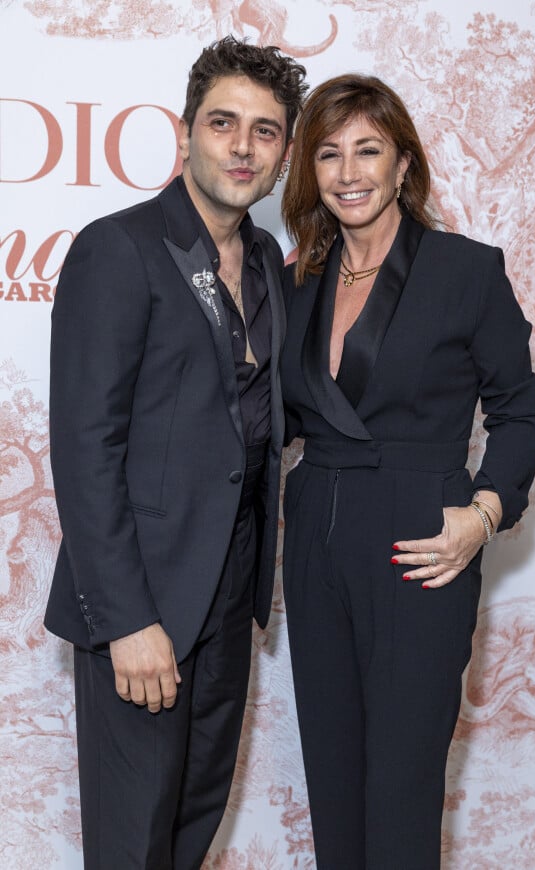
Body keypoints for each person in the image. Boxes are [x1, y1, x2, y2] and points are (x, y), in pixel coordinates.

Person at [44, 37, 307, 870]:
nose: (242, 146)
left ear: (283, 153)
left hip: (231, 587)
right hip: (143, 596)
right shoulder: (117, 248)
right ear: (185, 131)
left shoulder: (268, 260)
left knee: (193, 820)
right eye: (223, 123)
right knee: (132, 839)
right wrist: (126, 623)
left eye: (265, 132)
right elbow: (85, 448)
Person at [280, 74, 535, 870]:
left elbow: (519, 413)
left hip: (420, 539)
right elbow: (287, 416)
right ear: (311, 172)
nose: (349, 171)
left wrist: (484, 512)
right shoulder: (300, 280)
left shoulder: (466, 271)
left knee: (399, 795)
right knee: (333, 780)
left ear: (403, 166)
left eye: (369, 149)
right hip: (316, 533)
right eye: (329, 153)